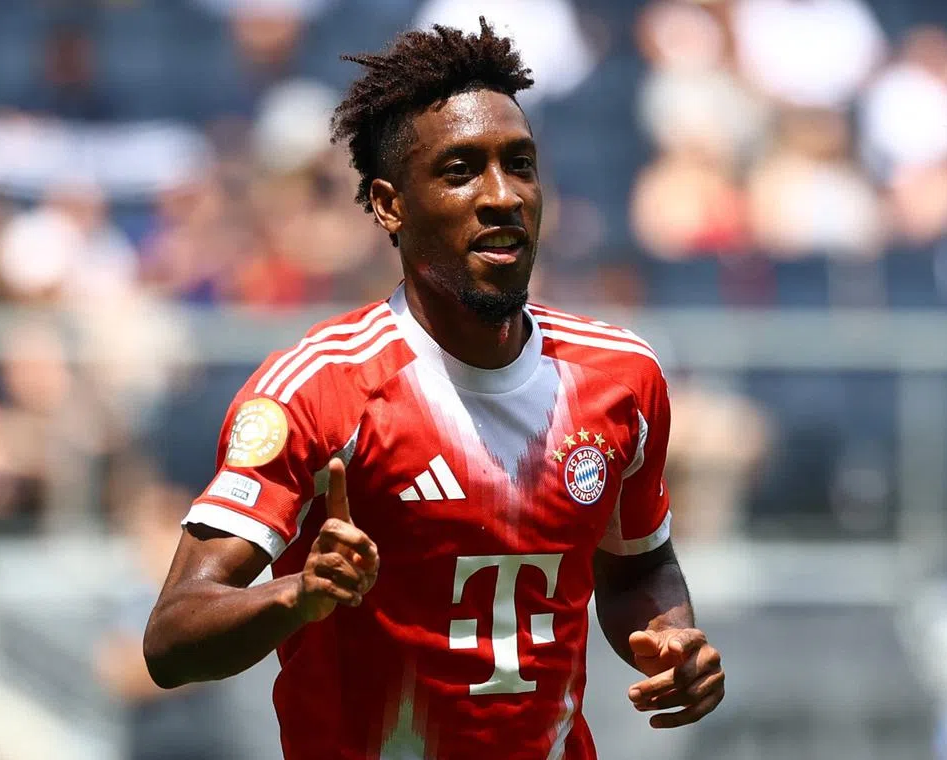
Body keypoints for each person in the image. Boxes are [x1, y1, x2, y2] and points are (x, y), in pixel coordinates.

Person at [143, 19, 725, 759]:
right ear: (389, 205)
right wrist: (298, 596)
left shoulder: (621, 377)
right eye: (460, 170)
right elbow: (172, 640)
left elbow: (638, 562)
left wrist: (671, 637)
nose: (502, 196)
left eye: (520, 165)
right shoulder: (319, 392)